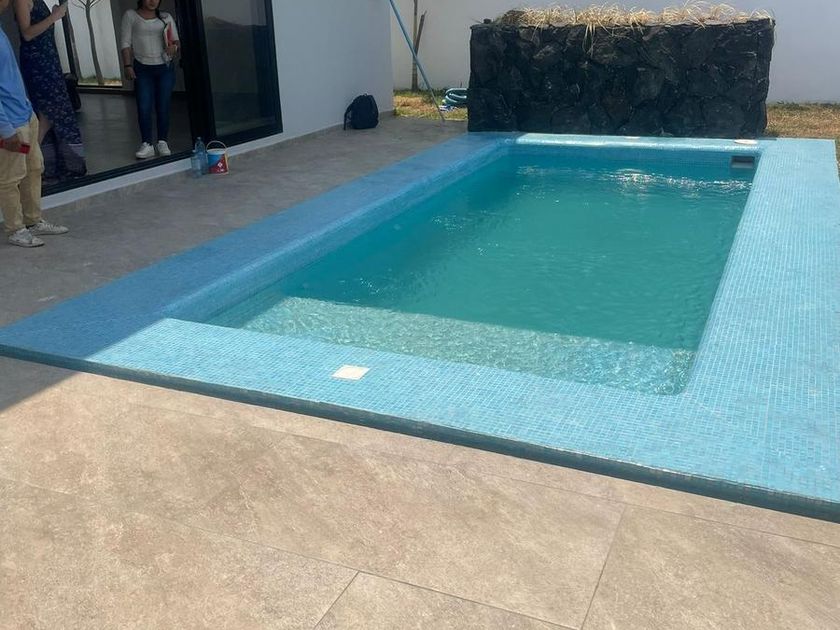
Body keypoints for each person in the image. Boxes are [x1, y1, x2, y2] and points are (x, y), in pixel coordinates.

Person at [0, 0, 68, 247]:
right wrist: (5, 130)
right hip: (10, 124)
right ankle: (15, 229)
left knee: (33, 168)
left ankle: (33, 220)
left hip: (25, 115)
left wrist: (28, 109)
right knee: (10, 177)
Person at [14, 0, 87, 181]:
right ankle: (27, 162)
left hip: (48, 59)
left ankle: (45, 163)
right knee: (49, 113)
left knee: (51, 114)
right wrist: (54, 17)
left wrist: (52, 17)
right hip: (38, 62)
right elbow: (27, 34)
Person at [121, 0, 180, 160]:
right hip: (142, 67)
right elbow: (125, 42)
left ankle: (162, 141)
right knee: (144, 106)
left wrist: (174, 47)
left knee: (163, 105)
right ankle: (147, 144)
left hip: (164, 67)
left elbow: (176, 40)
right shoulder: (131, 16)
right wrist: (127, 65)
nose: (152, 1)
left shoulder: (165, 17)